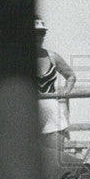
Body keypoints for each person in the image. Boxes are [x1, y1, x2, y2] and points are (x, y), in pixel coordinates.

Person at [36, 17, 77, 156]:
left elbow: (71, 76)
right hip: (27, 113)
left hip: (52, 113)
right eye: (34, 33)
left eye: (42, 33)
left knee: (56, 156)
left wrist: (64, 94)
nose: (38, 37)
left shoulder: (52, 56)